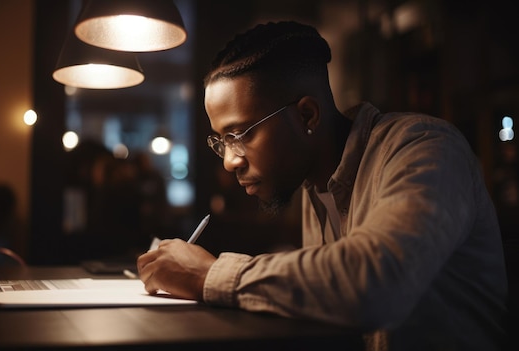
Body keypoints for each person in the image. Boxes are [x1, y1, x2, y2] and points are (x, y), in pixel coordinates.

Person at [136, 21, 508, 350]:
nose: (231, 160)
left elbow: (376, 284)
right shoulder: (313, 187)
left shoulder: (425, 146)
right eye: (221, 141)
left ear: (306, 115)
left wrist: (208, 275)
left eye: (240, 135)